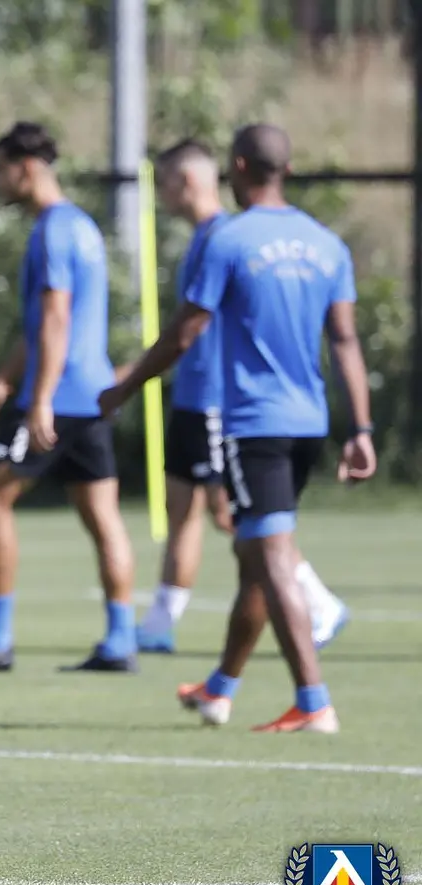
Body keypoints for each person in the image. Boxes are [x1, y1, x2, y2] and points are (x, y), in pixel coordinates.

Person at [100, 123, 376, 733]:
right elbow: (345, 341)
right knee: (254, 547)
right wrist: (361, 427)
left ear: (239, 167)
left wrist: (125, 385)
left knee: (268, 553)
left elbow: (186, 331)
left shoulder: (228, 239)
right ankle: (220, 689)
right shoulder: (326, 243)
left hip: (255, 424)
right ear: (287, 169)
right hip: (309, 421)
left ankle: (313, 701)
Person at [0, 121, 138, 675]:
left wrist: (38, 399)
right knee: (103, 516)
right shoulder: (81, 226)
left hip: (58, 397)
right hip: (92, 395)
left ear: (25, 168)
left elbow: (55, 320)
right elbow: (40, 323)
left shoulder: (52, 231)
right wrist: (3, 380)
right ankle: (121, 641)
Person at [136, 138, 349, 654]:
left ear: (187, 182)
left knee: (237, 516)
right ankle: (161, 620)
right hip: (192, 396)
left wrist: (129, 380)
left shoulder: (227, 237)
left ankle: (318, 602)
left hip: (217, 400)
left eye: (164, 184)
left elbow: (199, 330)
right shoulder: (205, 238)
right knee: (184, 505)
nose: (161, 197)